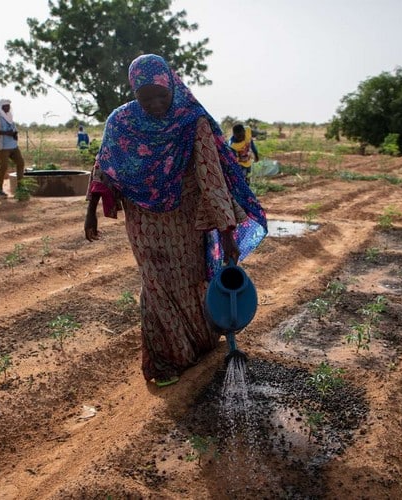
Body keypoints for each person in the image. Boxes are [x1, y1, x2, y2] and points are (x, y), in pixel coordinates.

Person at [84, 54, 267, 388]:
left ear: (172, 86)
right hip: (142, 221)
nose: (154, 104)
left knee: (191, 282)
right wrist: (90, 211)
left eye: (161, 95)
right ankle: (166, 360)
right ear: (133, 92)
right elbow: (104, 164)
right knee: (155, 286)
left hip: (184, 221)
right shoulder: (122, 121)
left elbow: (210, 176)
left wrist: (227, 230)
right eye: (145, 96)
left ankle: (197, 348)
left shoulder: (191, 121)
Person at [0, 99, 24, 197]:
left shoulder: (10, 118)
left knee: (21, 163)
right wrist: (5, 133)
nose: (7, 107)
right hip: (2, 147)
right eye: (5, 106)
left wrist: (14, 134)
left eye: (8, 106)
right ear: (0, 107)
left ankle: (20, 187)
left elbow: (13, 130)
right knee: (4, 166)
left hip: (13, 146)